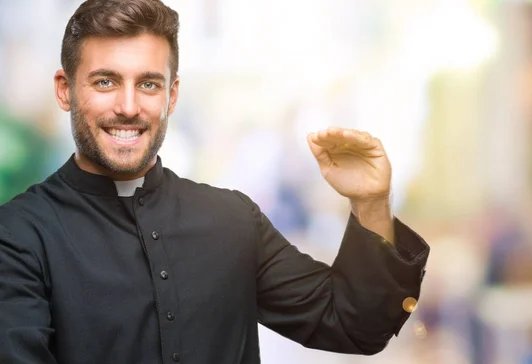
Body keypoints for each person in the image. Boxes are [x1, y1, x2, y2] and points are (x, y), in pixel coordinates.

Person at [0, 1, 430, 363]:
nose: (128, 106)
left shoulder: (231, 219)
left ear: (171, 95)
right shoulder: (18, 234)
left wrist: (371, 201)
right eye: (106, 82)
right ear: (65, 90)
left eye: (148, 84)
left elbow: (356, 325)